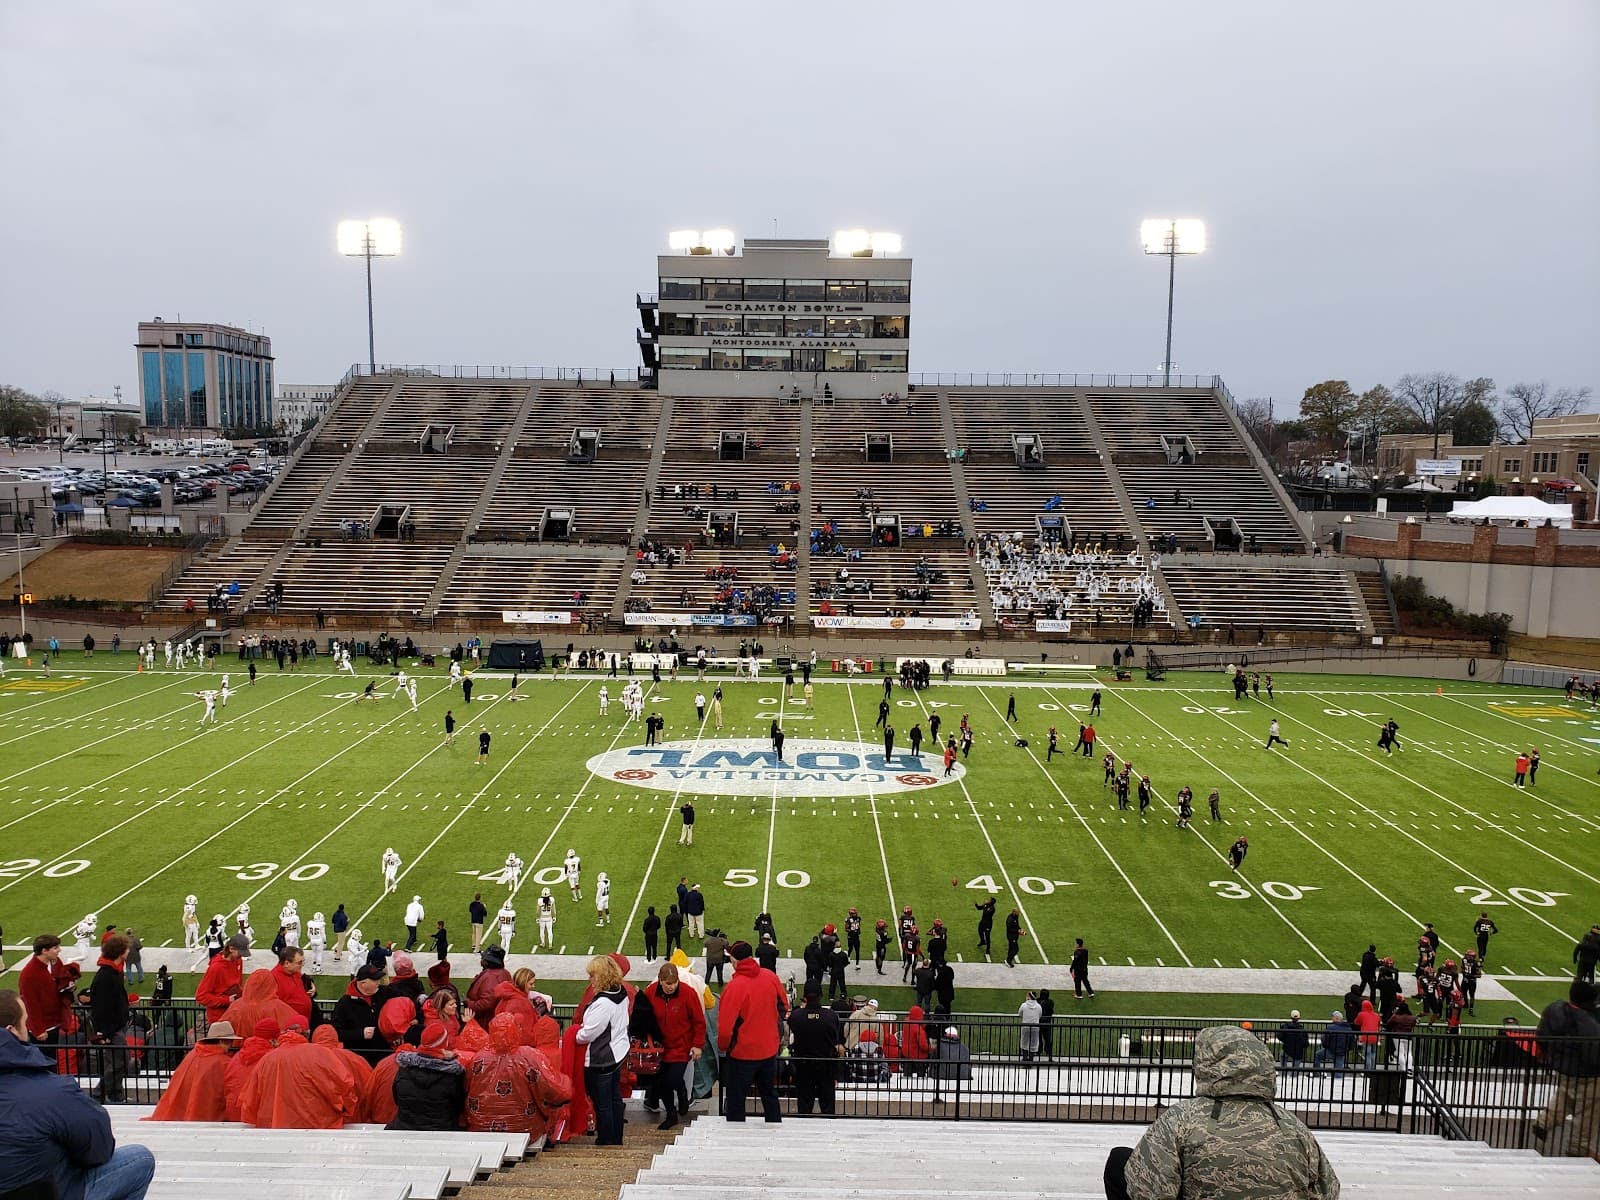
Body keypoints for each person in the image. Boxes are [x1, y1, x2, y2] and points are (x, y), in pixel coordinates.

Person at [1104, 1025, 1340, 1200]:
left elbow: (1146, 1190)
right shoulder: (1292, 1125)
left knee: (1119, 1161)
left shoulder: (1181, 1119)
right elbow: (1328, 1190)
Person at [0, 987, 157, 1200]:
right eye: (25, 1023)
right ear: (11, 1031)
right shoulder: (51, 1092)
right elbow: (100, 1150)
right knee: (139, 1158)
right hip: (50, 1191)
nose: (29, 1029)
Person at [715, 940, 789, 1122]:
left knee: (736, 1098)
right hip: (769, 1049)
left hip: (742, 1053)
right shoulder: (770, 976)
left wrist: (725, 1047)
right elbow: (783, 1007)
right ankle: (774, 1128)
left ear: (734, 960)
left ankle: (735, 1136)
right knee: (769, 1095)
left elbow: (725, 1028)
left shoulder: (734, 987)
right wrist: (775, 1034)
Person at [1532, 979, 1600, 1157]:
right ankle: (1577, 1149)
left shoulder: (1555, 1010)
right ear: (1586, 1002)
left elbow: (1542, 1034)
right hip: (1587, 1075)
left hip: (1562, 1068)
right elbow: (1593, 1054)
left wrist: (1546, 1052)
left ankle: (1543, 1122)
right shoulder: (1588, 1024)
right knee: (1586, 1112)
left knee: (1565, 1096)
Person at [574, 954, 630, 1145]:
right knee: (614, 1098)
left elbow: (588, 1033)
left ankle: (607, 1139)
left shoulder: (604, 1003)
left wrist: (574, 1035)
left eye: (593, 975)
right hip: (617, 1052)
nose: (590, 979)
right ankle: (616, 1137)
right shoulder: (620, 993)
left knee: (603, 1103)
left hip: (602, 1058)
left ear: (602, 976)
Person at [642, 962, 706, 1130]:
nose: (671, 987)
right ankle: (671, 1114)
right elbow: (642, 1015)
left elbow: (698, 1021)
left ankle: (683, 1093)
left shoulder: (688, 993)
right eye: (668, 983)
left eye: (674, 983)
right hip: (659, 1048)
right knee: (663, 1083)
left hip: (680, 1047)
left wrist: (697, 1045)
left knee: (673, 1079)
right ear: (661, 981)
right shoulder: (650, 993)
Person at [150, 1019, 241, 1121]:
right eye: (230, 1041)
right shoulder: (224, 1062)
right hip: (208, 1116)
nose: (231, 1046)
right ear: (222, 1041)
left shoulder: (193, 1054)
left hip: (179, 1113)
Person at [388, 1020, 467, 1130]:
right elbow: (459, 1106)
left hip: (405, 1128)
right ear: (444, 1044)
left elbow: (397, 1099)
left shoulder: (404, 1069)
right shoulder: (452, 1075)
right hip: (442, 1130)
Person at [786, 984, 843, 1115]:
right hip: (825, 1065)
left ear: (805, 997)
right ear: (821, 996)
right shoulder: (831, 1016)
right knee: (827, 1105)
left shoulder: (796, 1016)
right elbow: (835, 1037)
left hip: (804, 1064)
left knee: (805, 1105)